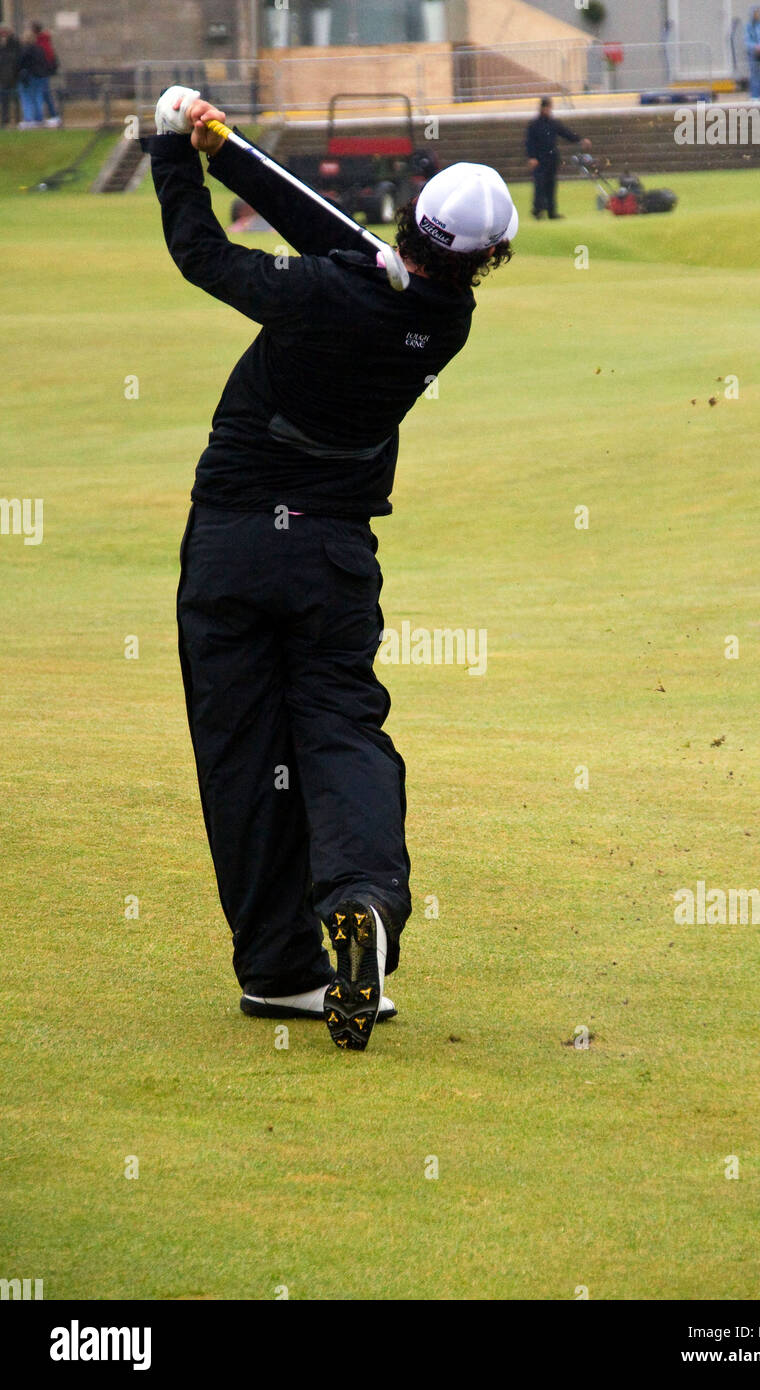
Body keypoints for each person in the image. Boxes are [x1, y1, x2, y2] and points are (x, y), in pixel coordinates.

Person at [140, 93, 516, 1052]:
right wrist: (226, 149)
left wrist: (171, 149)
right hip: (335, 559)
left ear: (412, 219)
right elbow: (337, 233)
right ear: (489, 258)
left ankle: (280, 970)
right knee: (341, 727)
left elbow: (204, 257)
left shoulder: (325, 291)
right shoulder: (445, 315)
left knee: (242, 753)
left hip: (231, 544)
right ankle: (361, 900)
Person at [525, 96, 591, 219]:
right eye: (547, 107)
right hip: (539, 159)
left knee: (551, 186)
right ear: (543, 108)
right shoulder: (534, 125)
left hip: (551, 158)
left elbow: (566, 133)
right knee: (539, 185)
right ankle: (538, 210)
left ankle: (551, 212)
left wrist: (580, 140)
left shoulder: (553, 123)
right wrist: (532, 157)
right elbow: (530, 142)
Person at [16, 30, 50, 128]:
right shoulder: (40, 49)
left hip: (28, 77)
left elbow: (20, 63)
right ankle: (39, 119)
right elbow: (44, 62)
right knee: (38, 97)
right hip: (40, 76)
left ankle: (29, 119)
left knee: (26, 98)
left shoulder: (25, 49)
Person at [30, 20, 61, 125]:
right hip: (43, 72)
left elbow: (46, 58)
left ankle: (52, 116)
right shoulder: (45, 41)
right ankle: (51, 116)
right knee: (44, 94)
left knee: (44, 94)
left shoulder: (40, 42)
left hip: (41, 72)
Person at [0, 26, 21, 127]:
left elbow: (17, 59)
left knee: (15, 98)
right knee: (5, 99)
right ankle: (5, 119)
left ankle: (17, 119)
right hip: (4, 77)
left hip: (13, 76)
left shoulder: (15, 45)